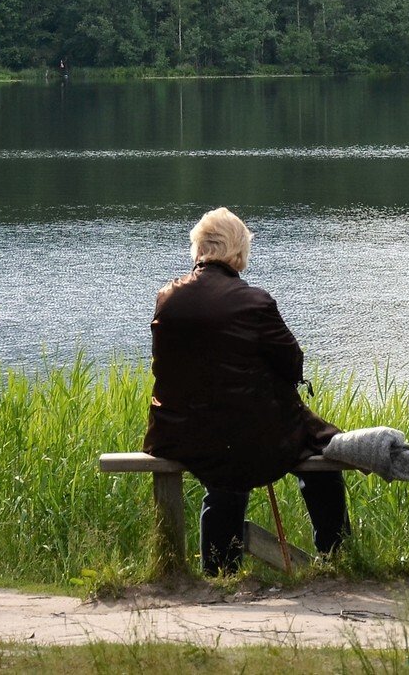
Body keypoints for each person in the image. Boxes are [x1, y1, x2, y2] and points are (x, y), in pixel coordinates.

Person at [144, 207, 348, 574]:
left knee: (225, 472)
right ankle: (336, 558)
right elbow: (292, 364)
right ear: (238, 253)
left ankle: (219, 572)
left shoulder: (167, 298)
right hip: (247, 433)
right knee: (323, 459)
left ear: (199, 250)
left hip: (178, 431)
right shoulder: (255, 301)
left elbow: (164, 367)